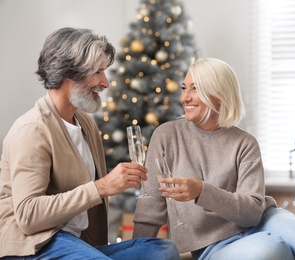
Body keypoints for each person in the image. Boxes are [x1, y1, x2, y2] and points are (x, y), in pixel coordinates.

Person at [132, 58, 295, 260]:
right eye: (185, 88)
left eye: (195, 89)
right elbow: (150, 207)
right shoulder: (166, 135)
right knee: (272, 251)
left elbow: (252, 212)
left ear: (218, 94)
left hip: (264, 220)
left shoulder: (244, 142)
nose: (184, 97)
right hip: (211, 245)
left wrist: (201, 191)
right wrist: (132, 253)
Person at [0, 27, 179, 260]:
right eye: (97, 72)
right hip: (36, 244)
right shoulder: (33, 129)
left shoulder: (85, 123)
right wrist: (101, 187)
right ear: (69, 73)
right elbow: (28, 216)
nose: (105, 83)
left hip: (77, 243)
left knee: (162, 250)